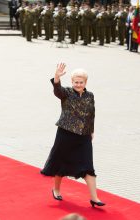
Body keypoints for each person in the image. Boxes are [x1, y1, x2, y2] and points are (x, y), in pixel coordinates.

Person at [41, 63, 105, 207]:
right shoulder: (67, 93)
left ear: (85, 83)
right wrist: (57, 76)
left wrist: (92, 130)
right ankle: (56, 189)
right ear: (72, 82)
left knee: (89, 165)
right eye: (76, 82)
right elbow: (57, 90)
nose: (78, 84)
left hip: (84, 136)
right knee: (61, 163)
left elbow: (91, 114)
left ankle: (94, 198)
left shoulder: (90, 96)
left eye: (81, 82)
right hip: (66, 133)